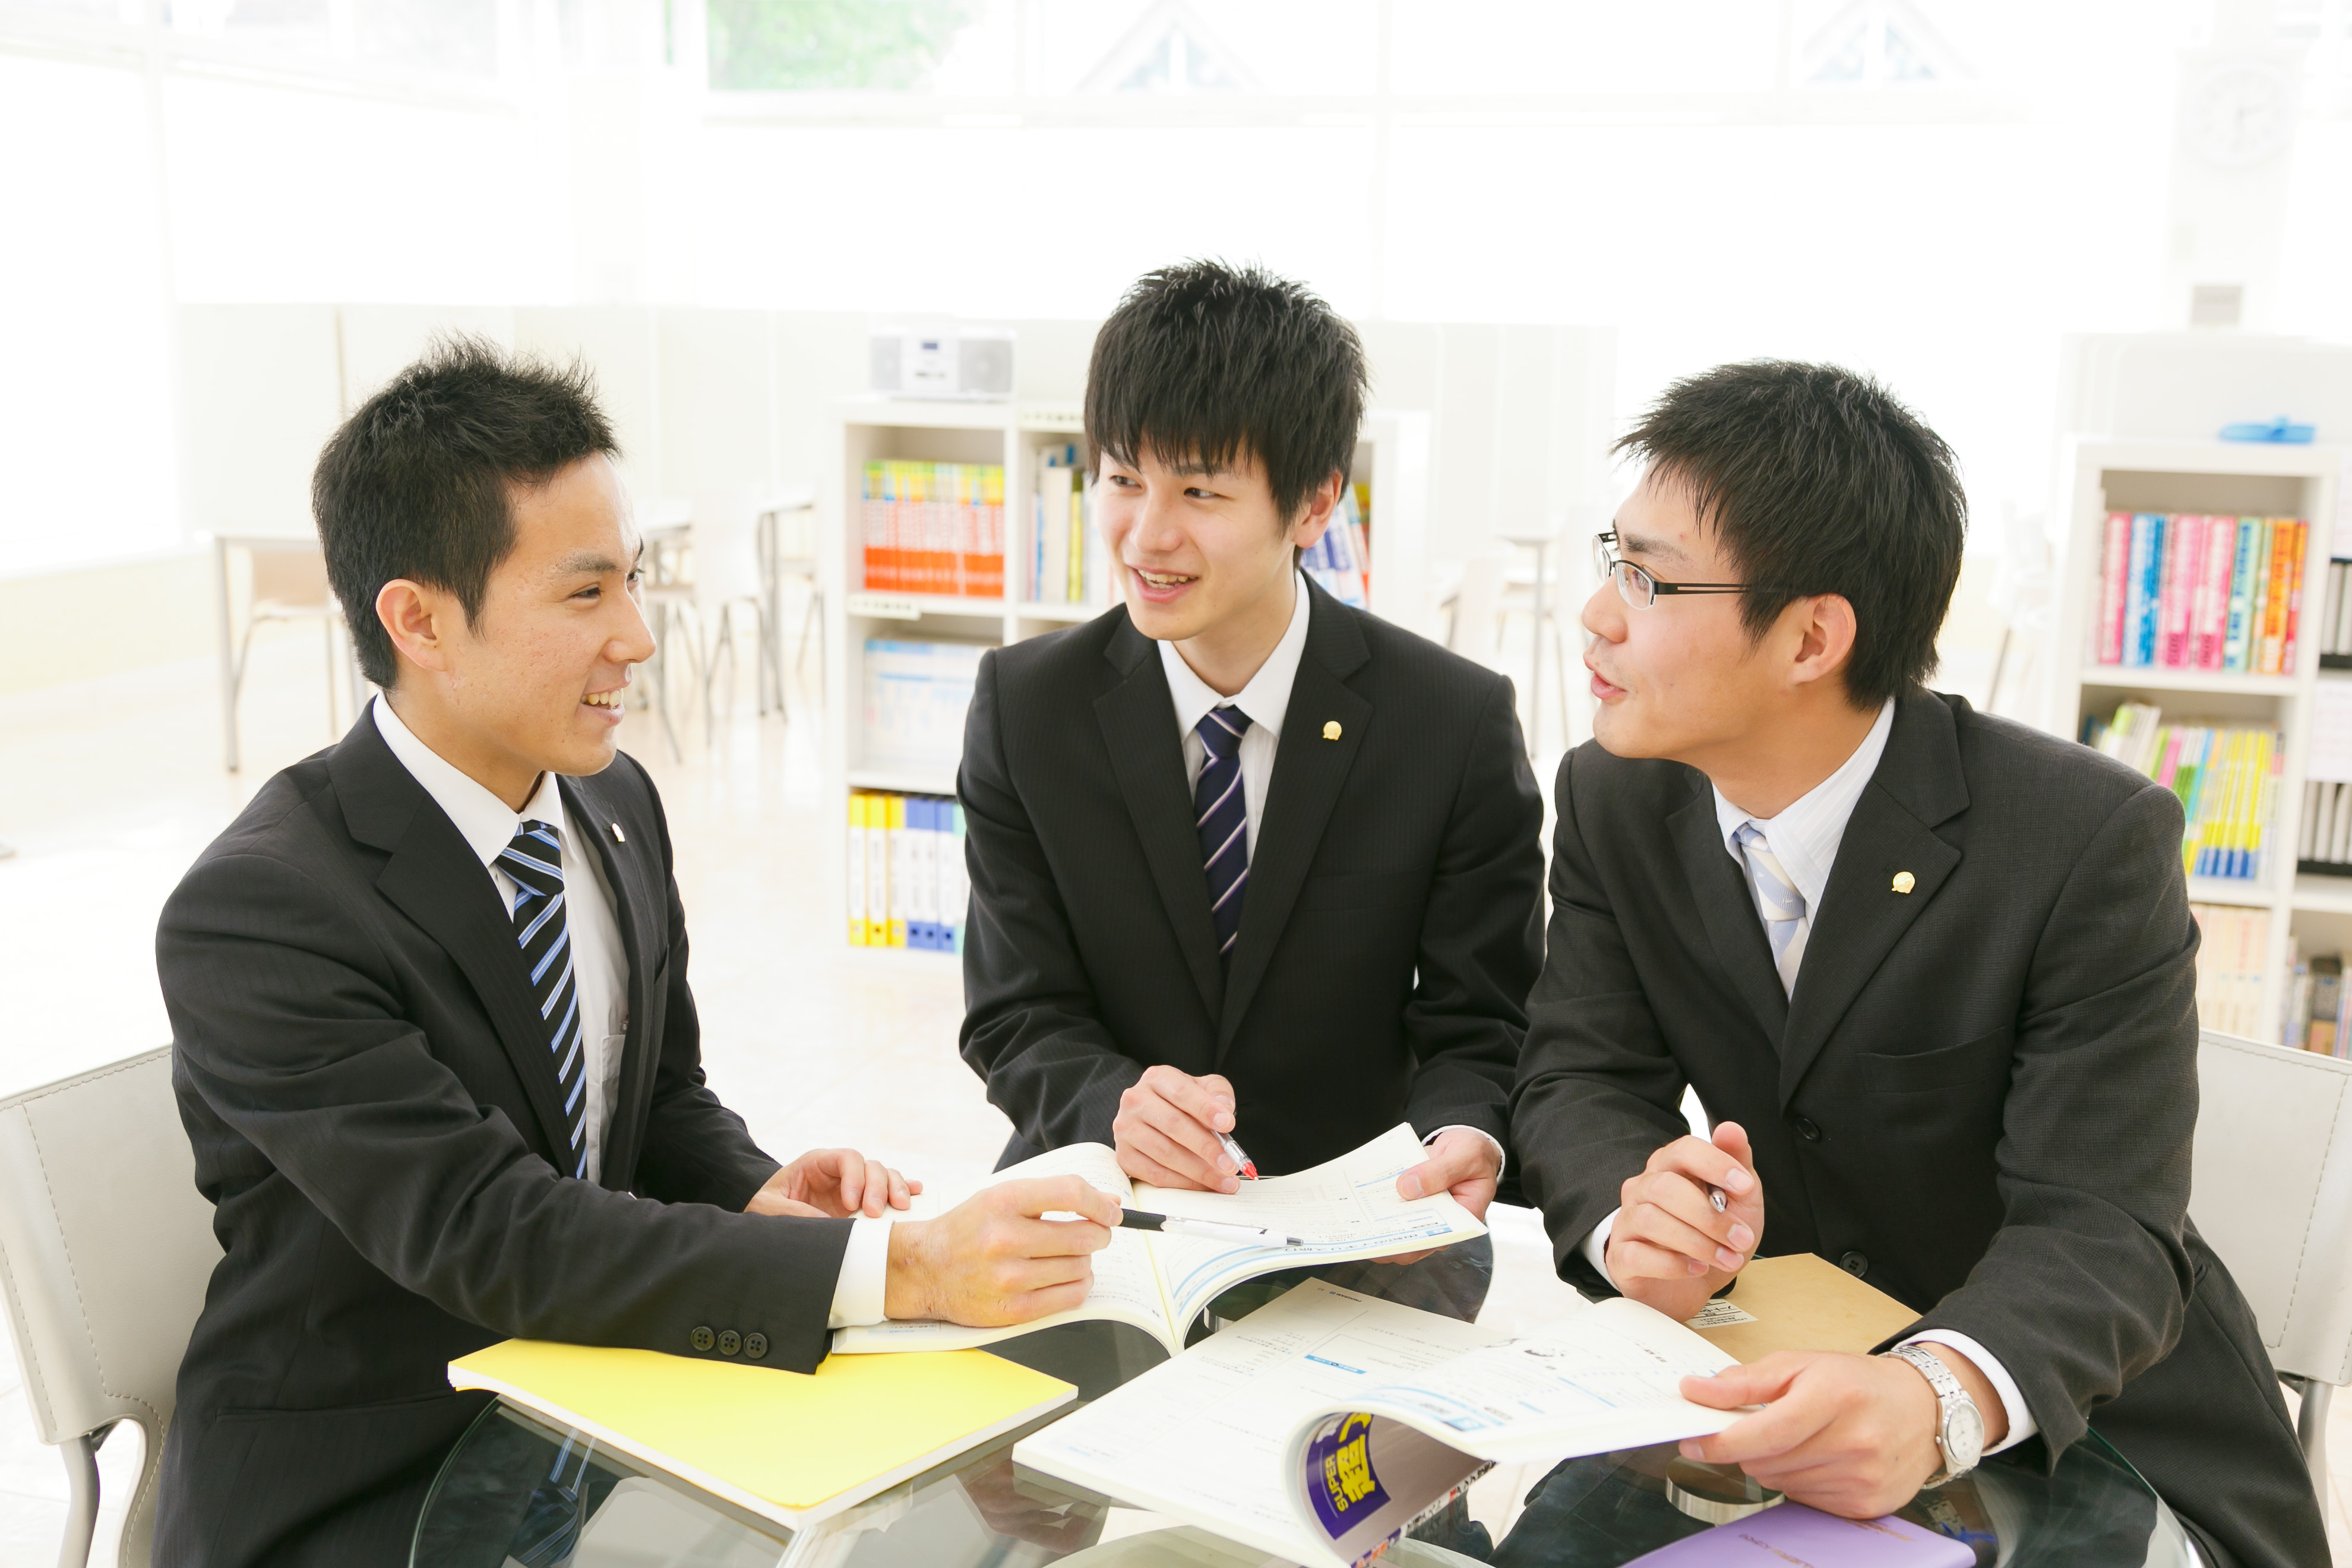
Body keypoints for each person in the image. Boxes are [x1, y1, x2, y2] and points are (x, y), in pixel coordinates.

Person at [155, 339, 1120, 1567]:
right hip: (375, 1487)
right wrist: (904, 1266)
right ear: (419, 619)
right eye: (584, 594)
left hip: (598, 1419)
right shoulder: (265, 910)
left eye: (636, 581)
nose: (638, 638)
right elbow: (492, 1230)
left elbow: (657, 1102)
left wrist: (751, 1186)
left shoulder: (611, 809)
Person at [1508, 360, 2324, 1568]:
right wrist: (1634, 1210)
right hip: (1771, 1375)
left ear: (1811, 637)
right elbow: (1578, 1074)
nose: (1598, 612)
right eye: (1609, 557)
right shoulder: (1615, 795)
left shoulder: (2082, 839)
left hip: (2072, 1410)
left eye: (1649, 578)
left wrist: (1937, 1398)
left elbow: (2103, 1223)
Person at [957, 260, 1545, 1316]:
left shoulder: (1448, 723)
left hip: (1371, 1236)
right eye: (1123, 479)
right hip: (1101, 1214)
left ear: (1315, 501)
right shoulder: (1026, 707)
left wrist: (1467, 1133)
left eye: (1201, 491)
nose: (1146, 535)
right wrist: (1115, 1102)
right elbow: (1015, 1014)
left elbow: (1482, 1022)